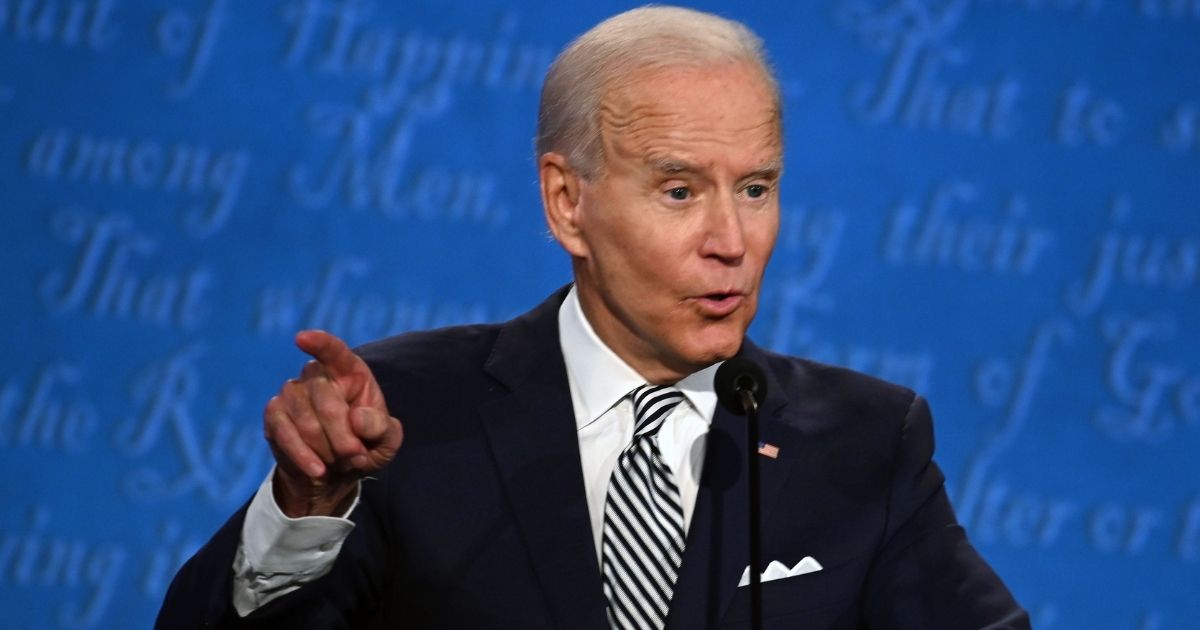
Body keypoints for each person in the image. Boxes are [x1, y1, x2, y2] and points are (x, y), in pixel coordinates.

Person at [157, 6, 1030, 629]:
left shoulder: (865, 442)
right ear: (567, 202)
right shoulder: (407, 418)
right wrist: (309, 507)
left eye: (756, 189)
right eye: (680, 190)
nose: (730, 240)